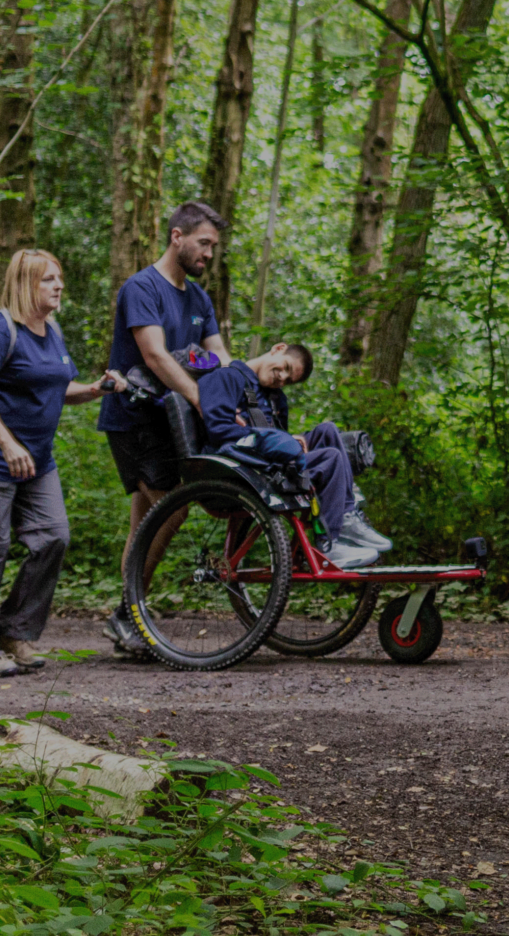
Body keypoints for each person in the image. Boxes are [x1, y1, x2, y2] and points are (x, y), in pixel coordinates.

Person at [0, 248, 125, 677]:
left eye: (59, 278)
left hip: (37, 461)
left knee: (53, 538)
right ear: (25, 283)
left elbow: (57, 388)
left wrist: (97, 389)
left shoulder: (52, 331)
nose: (59, 285)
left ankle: (14, 632)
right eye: (49, 279)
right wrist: (7, 443)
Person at [100, 202, 230, 657]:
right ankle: (128, 614)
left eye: (214, 246)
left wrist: (238, 390)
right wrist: (200, 398)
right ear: (177, 236)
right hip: (135, 417)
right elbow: (154, 355)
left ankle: (127, 615)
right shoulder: (142, 288)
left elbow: (220, 354)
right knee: (171, 511)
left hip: (173, 424)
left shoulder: (198, 298)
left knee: (145, 520)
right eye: (204, 243)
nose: (209, 253)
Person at [193, 343, 379, 568]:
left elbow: (278, 440)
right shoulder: (227, 377)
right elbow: (219, 431)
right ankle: (330, 544)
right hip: (247, 466)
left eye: (289, 379)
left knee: (328, 431)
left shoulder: (276, 399)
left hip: (271, 461)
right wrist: (268, 437)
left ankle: (348, 516)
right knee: (330, 458)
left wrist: (293, 440)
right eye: (285, 367)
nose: (282, 377)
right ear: (278, 349)